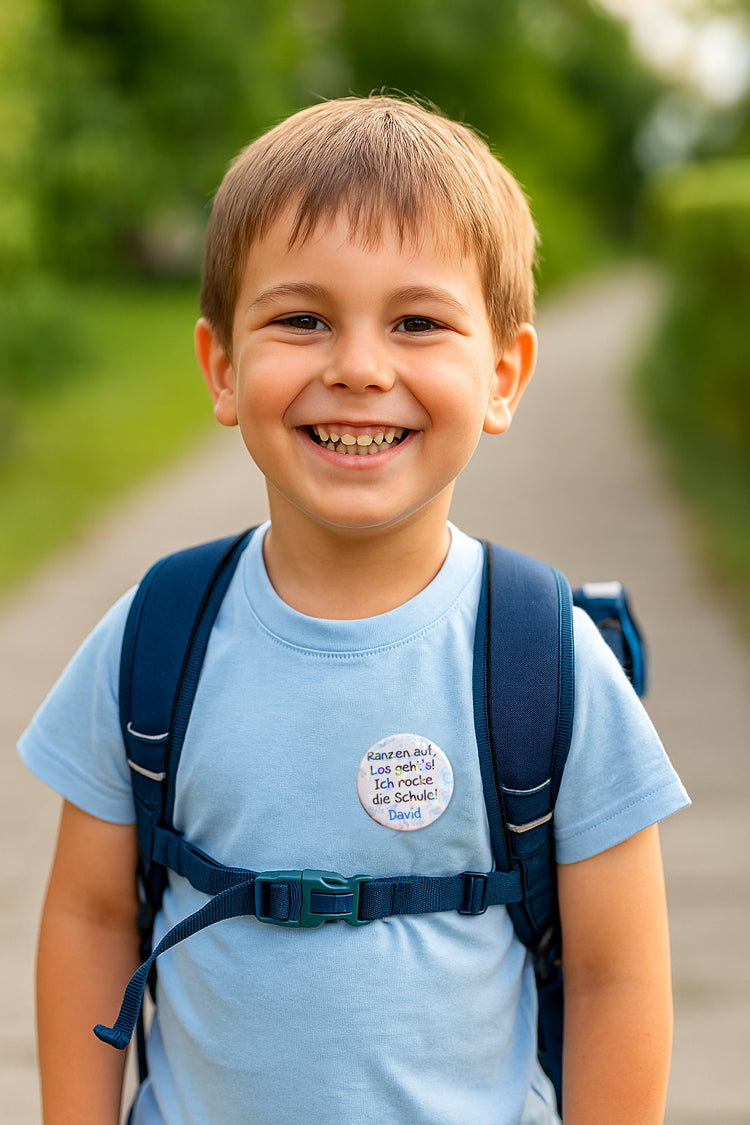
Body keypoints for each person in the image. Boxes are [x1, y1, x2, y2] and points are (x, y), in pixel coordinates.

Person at [20, 94, 689, 1125]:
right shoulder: (158, 638)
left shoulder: (543, 659)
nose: (360, 369)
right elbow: (91, 916)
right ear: (222, 368)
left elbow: (618, 976)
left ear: (503, 375)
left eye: (417, 322)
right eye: (302, 320)